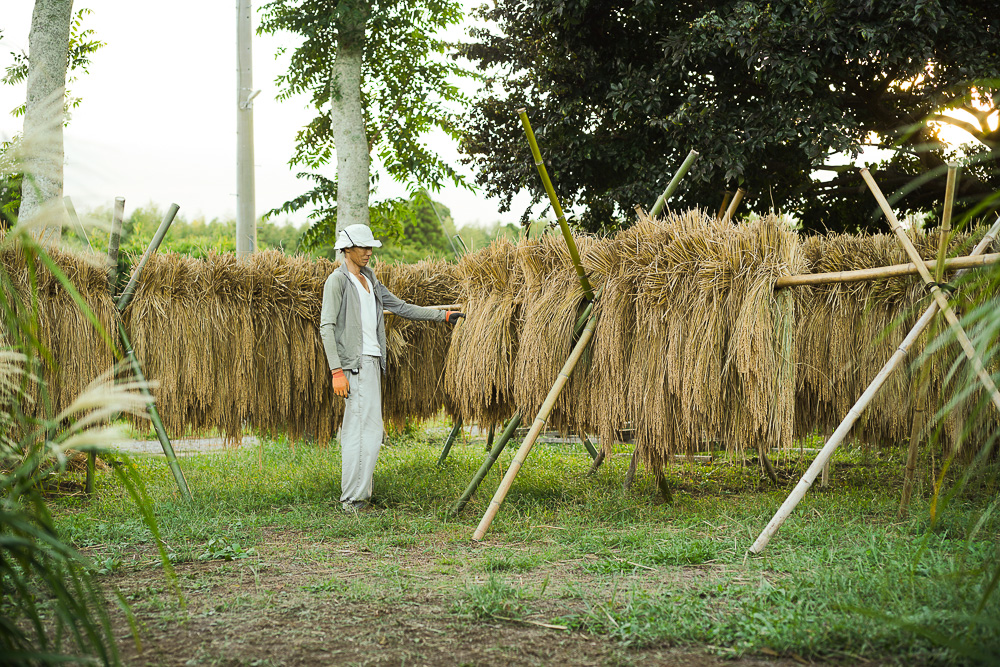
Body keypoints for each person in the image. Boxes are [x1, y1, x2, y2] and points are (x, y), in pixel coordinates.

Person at [319, 223, 464, 514]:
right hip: (354, 366)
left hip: (372, 363)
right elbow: (326, 327)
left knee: (365, 430)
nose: (368, 252)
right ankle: (353, 501)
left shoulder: (369, 280)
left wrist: (442, 316)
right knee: (363, 432)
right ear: (347, 248)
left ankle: (358, 496)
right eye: (363, 247)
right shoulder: (337, 281)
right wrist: (336, 371)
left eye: (370, 247)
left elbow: (400, 307)